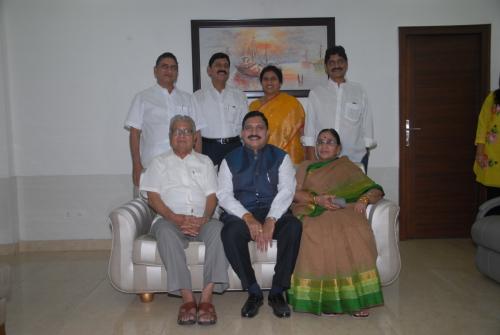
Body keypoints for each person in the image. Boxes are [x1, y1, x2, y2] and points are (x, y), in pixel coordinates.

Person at [140, 115, 228, 325]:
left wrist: (205, 218)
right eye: (176, 131)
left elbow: (212, 196)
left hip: (202, 219)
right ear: (170, 136)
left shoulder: (205, 161)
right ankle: (188, 300)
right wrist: (175, 218)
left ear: (194, 137)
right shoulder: (158, 162)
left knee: (219, 231)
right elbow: (153, 197)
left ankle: (206, 299)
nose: (181, 135)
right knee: (165, 232)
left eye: (187, 131)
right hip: (169, 218)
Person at [288, 128, 384, 317]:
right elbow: (293, 193)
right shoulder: (306, 166)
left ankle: (356, 299)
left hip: (344, 208)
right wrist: (317, 200)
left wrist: (364, 200)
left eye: (329, 142)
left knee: (354, 229)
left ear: (338, 148)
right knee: (314, 232)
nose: (324, 145)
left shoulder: (347, 166)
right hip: (313, 208)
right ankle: (323, 300)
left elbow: (373, 189)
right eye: (320, 142)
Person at [217, 111, 302, 319]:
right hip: (241, 213)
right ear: (241, 133)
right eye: (249, 128)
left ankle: (277, 292)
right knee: (230, 232)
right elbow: (224, 196)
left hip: (274, 209)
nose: (254, 132)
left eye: (259, 128)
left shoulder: (281, 157)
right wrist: (247, 217)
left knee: (293, 226)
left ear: (267, 132)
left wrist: (272, 219)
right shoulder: (229, 160)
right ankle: (253, 291)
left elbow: (287, 191)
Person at [125, 52, 203, 196]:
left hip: (184, 166)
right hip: (152, 164)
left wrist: (198, 163)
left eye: (173, 68)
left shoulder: (188, 99)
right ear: (155, 71)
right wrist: (136, 165)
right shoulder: (143, 98)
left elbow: (197, 133)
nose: (169, 71)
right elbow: (134, 133)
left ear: (177, 72)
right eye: (164, 67)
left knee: (181, 205)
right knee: (150, 208)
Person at [303, 45, 376, 171]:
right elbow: (310, 129)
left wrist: (366, 151)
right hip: (323, 159)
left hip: (355, 159)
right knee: (325, 191)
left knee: (355, 191)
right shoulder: (316, 93)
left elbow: (367, 124)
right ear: (326, 67)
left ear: (346, 64)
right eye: (332, 62)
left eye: (340, 61)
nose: (336, 66)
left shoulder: (359, 91)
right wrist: (312, 159)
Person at [192, 52, 248, 166]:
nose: (222, 68)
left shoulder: (239, 95)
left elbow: (245, 126)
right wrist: (198, 158)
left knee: (235, 183)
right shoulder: (197, 97)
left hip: (234, 147)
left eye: (226, 65)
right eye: (218, 65)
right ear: (209, 70)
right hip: (208, 148)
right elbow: (196, 130)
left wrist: (247, 153)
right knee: (210, 183)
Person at [249, 65, 305, 164]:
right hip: (262, 157)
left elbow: (302, 131)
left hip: (290, 156)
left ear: (280, 83)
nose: (269, 82)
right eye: (265, 79)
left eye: (273, 79)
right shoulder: (254, 106)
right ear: (261, 83)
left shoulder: (292, 103)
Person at [474, 75, 500, 203]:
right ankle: (492, 222)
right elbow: (482, 125)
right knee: (494, 201)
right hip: (493, 156)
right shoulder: (493, 98)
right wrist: (479, 152)